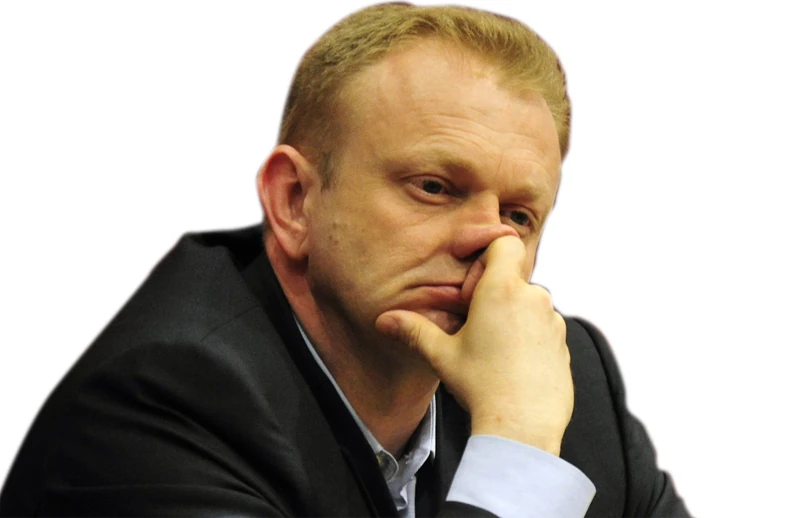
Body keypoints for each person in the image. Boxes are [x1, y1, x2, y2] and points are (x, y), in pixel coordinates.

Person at [0, 3, 691, 517]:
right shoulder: (156, 411)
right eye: (434, 187)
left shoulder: (569, 387)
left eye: (518, 215)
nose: (491, 241)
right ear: (295, 201)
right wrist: (516, 447)